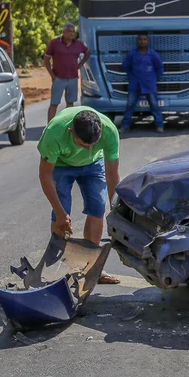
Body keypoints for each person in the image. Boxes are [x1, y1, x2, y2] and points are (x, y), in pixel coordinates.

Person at [37, 106, 122, 284]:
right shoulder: (54, 133)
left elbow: (112, 174)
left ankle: (91, 268)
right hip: (61, 165)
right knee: (62, 211)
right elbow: (45, 176)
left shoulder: (109, 131)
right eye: (83, 144)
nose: (89, 149)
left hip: (94, 165)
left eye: (94, 144)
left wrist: (118, 209)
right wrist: (60, 213)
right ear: (71, 132)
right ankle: (54, 270)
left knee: (98, 207)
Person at [120, 32, 165, 133]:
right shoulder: (132, 54)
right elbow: (125, 66)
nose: (142, 41)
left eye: (145, 39)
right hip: (135, 84)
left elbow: (160, 68)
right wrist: (132, 76)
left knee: (154, 105)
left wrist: (152, 77)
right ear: (137, 41)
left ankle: (159, 125)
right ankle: (125, 126)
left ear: (148, 41)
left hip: (149, 84)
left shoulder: (153, 54)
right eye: (140, 39)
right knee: (130, 105)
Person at [44, 23, 89, 122]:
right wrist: (52, 75)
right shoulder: (54, 43)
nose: (71, 33)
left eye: (73, 31)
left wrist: (80, 64)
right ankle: (50, 126)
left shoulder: (78, 44)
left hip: (73, 78)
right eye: (69, 31)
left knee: (70, 103)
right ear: (63, 32)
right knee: (54, 103)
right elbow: (46, 60)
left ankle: (68, 125)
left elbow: (87, 52)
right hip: (58, 78)